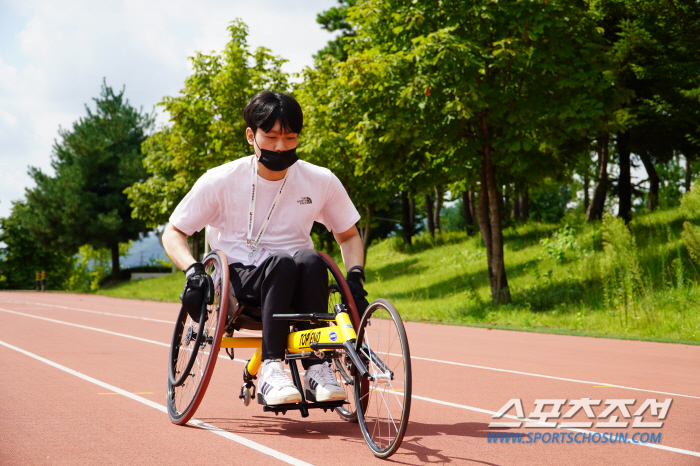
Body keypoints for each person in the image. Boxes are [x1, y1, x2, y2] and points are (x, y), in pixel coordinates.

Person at [162, 91, 369, 406]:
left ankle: (317, 367)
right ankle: (272, 369)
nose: (281, 146)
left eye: (290, 137)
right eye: (271, 137)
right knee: (281, 263)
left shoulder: (320, 180)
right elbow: (174, 232)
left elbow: (349, 236)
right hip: (238, 275)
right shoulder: (220, 181)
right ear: (251, 135)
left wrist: (354, 276)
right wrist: (192, 271)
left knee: (312, 260)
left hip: (299, 275)